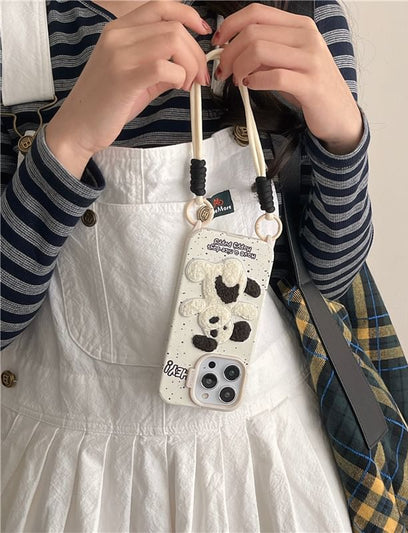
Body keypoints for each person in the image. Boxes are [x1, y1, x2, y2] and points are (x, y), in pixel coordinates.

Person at [0, 1, 373, 531]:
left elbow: (327, 277)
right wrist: (70, 139)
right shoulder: (19, 31)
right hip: (69, 479)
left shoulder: (299, 12)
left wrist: (343, 133)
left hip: (267, 466)